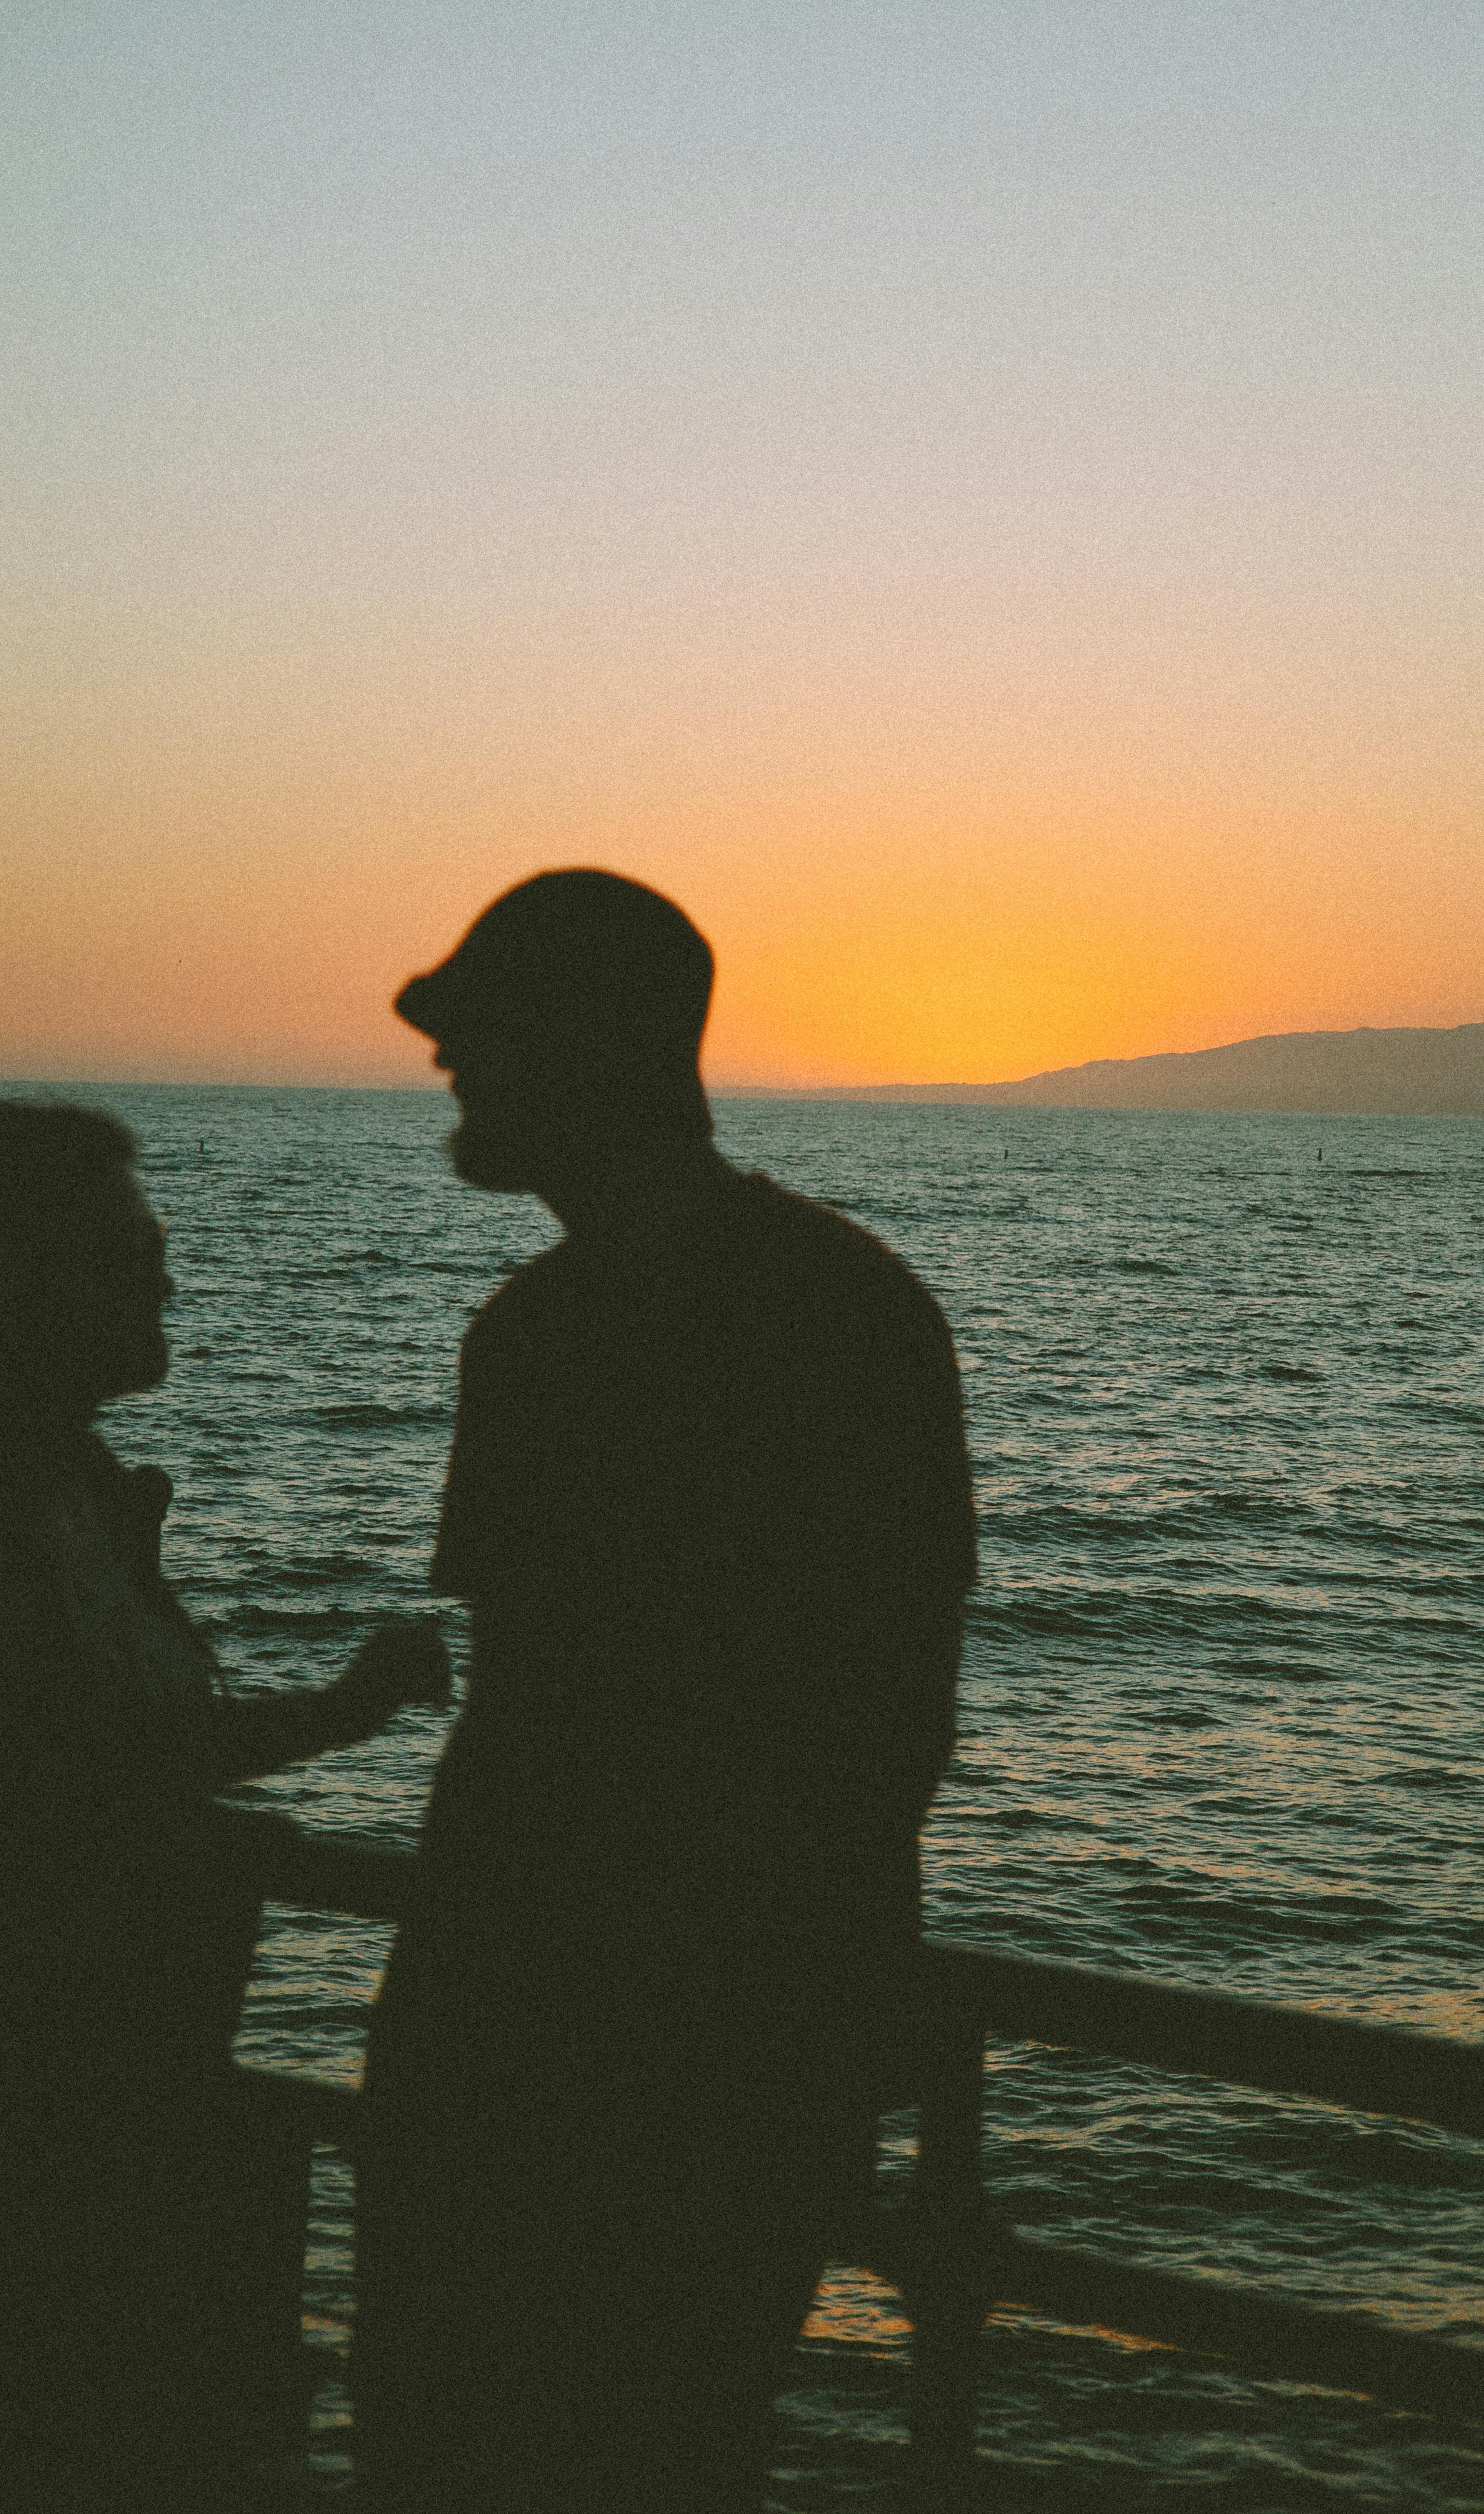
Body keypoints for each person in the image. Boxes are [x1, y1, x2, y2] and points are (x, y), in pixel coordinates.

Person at [355, 870, 976, 2514]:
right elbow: (880, 1726)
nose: (445, 1065)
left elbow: (568, 1721)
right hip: (677, 2056)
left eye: (478, 1031)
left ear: (593, 1047)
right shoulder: (828, 1306)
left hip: (617, 2063)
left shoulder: (565, 1333)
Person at [0, 1100, 451, 2512]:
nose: (169, 1281)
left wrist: (343, 1711)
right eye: (128, 1252)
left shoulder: (76, 1488)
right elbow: (96, 1765)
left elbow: (120, 1750)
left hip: (129, 2083)